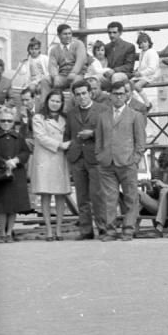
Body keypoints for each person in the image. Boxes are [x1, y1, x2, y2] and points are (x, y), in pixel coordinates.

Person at [95, 82, 146, 241]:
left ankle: (128, 229)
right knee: (109, 199)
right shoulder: (102, 116)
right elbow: (99, 139)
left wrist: (135, 160)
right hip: (107, 163)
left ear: (127, 95)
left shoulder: (135, 115)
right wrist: (100, 156)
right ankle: (110, 230)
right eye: (115, 93)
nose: (118, 97)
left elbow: (140, 141)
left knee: (131, 198)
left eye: (121, 94)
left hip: (127, 163)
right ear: (110, 95)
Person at [65, 79, 107, 240]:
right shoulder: (71, 113)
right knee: (82, 197)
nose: (81, 97)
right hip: (77, 158)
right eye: (78, 94)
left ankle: (103, 228)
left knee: (97, 195)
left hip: (95, 158)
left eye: (84, 93)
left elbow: (107, 133)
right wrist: (71, 153)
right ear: (74, 97)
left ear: (90, 93)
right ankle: (86, 230)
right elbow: (67, 135)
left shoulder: (103, 110)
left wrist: (93, 134)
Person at [30, 89, 71, 241]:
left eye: (58, 101)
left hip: (60, 159)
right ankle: (48, 229)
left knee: (61, 195)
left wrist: (66, 145)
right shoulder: (38, 117)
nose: (55, 104)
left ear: (62, 103)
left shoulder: (65, 119)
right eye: (52, 100)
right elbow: (40, 137)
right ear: (47, 101)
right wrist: (60, 145)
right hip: (45, 159)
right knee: (45, 195)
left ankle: (59, 229)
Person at [0, 105, 30, 243]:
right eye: (3, 120)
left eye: (9, 121)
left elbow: (25, 152)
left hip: (16, 174)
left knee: (13, 206)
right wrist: (4, 162)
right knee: (2, 206)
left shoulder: (18, 137)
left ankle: (9, 232)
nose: (6, 124)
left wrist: (16, 160)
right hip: (1, 174)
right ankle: (2, 233)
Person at [46, 24, 88, 93]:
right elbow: (52, 65)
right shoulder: (54, 50)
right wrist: (55, 76)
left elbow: (80, 61)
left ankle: (73, 103)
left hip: (77, 75)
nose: (68, 36)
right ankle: (45, 103)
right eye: (65, 34)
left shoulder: (78, 44)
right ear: (59, 35)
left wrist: (73, 72)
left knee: (76, 82)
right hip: (62, 76)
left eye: (69, 33)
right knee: (45, 80)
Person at [103, 21, 137, 86]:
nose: (111, 35)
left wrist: (114, 70)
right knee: (95, 79)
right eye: (109, 33)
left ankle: (116, 96)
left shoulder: (129, 46)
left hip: (124, 74)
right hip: (109, 74)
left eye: (114, 32)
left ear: (120, 33)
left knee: (115, 77)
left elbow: (129, 66)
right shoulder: (106, 47)